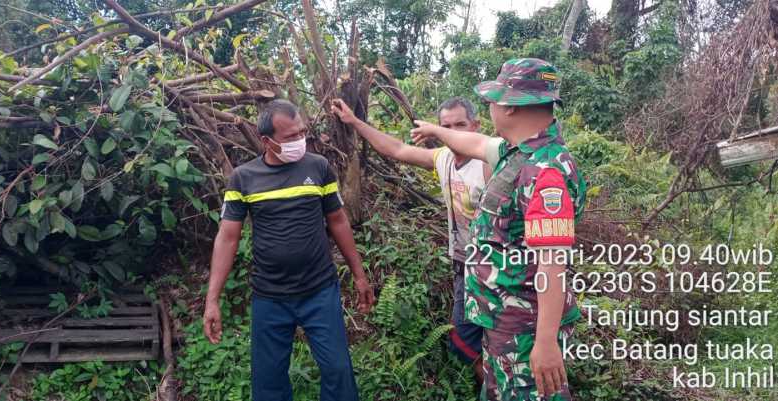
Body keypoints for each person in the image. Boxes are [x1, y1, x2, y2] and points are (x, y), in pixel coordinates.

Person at [410, 58, 587, 401]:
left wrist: (546, 343)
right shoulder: (516, 152)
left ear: (509, 108)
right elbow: (473, 144)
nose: (490, 107)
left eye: (492, 101)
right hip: (505, 320)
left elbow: (552, 264)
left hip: (526, 328)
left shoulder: (544, 171)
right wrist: (435, 130)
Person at [202, 99, 376, 401]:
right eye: (290, 137)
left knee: (338, 370)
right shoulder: (244, 178)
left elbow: (337, 221)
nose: (300, 141)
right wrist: (212, 300)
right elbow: (228, 238)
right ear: (266, 141)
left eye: (302, 133)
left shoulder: (318, 168)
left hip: (319, 290)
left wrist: (360, 275)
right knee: (268, 381)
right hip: (270, 296)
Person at [330, 97, 505, 383]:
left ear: (476, 126)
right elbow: (397, 149)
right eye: (445, 126)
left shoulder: (490, 162)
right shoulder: (443, 158)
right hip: (465, 266)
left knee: (501, 338)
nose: (453, 132)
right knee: (464, 341)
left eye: (460, 125)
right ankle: (495, 387)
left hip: (498, 269)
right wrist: (355, 122)